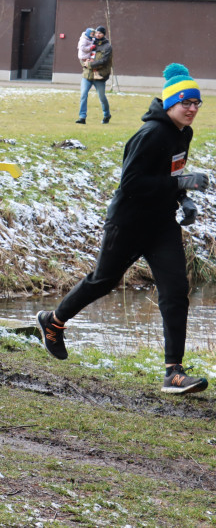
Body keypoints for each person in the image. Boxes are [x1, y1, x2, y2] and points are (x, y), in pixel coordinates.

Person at [38, 64, 209, 395]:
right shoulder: (151, 135)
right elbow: (131, 183)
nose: (191, 109)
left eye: (196, 103)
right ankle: (53, 322)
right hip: (128, 223)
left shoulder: (182, 134)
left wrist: (183, 199)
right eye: (185, 103)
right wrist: (181, 182)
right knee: (103, 281)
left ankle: (173, 372)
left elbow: (171, 175)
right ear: (171, 103)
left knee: (175, 291)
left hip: (160, 226)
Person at [76, 26, 112, 124]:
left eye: (100, 33)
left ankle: (106, 115)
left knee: (101, 97)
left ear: (104, 34)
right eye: (96, 33)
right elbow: (82, 55)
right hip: (87, 75)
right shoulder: (89, 42)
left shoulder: (107, 47)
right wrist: (84, 63)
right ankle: (82, 117)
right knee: (83, 95)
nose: (97, 35)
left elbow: (104, 61)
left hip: (99, 76)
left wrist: (90, 64)